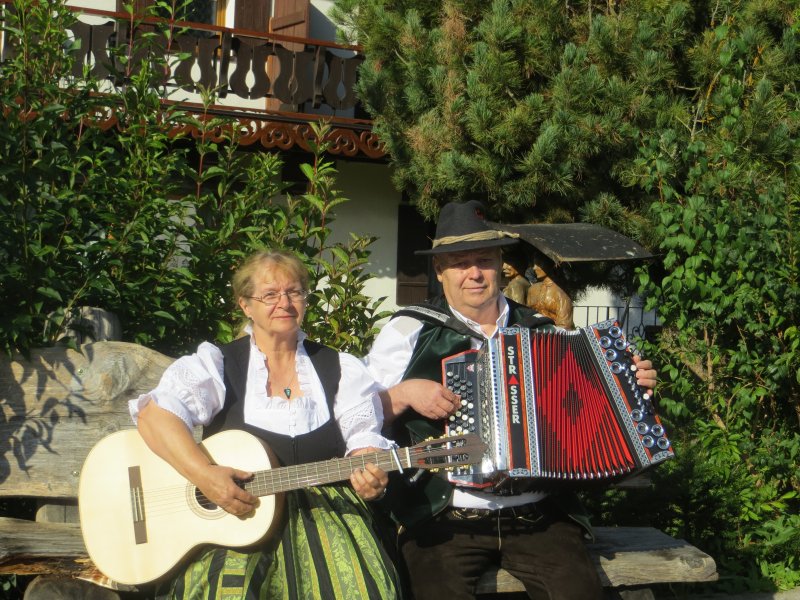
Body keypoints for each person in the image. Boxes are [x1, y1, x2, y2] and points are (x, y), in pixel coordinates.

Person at [365, 200, 658, 600]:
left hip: (538, 516)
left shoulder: (541, 330)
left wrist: (632, 386)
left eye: (484, 260)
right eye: (460, 263)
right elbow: (361, 416)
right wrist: (402, 393)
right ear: (439, 270)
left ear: (500, 264)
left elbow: (596, 410)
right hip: (444, 518)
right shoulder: (408, 330)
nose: (474, 273)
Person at [129, 249, 400, 599]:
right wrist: (204, 475)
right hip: (234, 516)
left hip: (324, 514)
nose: (284, 303)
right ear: (245, 305)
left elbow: (363, 436)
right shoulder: (219, 364)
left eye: (294, 292)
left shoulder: (339, 367)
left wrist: (369, 471)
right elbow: (155, 416)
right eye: (270, 294)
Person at [526, 250, 575, 329]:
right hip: (532, 334)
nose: (534, 268)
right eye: (534, 264)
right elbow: (525, 317)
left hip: (552, 335)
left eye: (539, 263)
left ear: (552, 264)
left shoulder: (561, 293)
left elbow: (565, 326)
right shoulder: (532, 290)